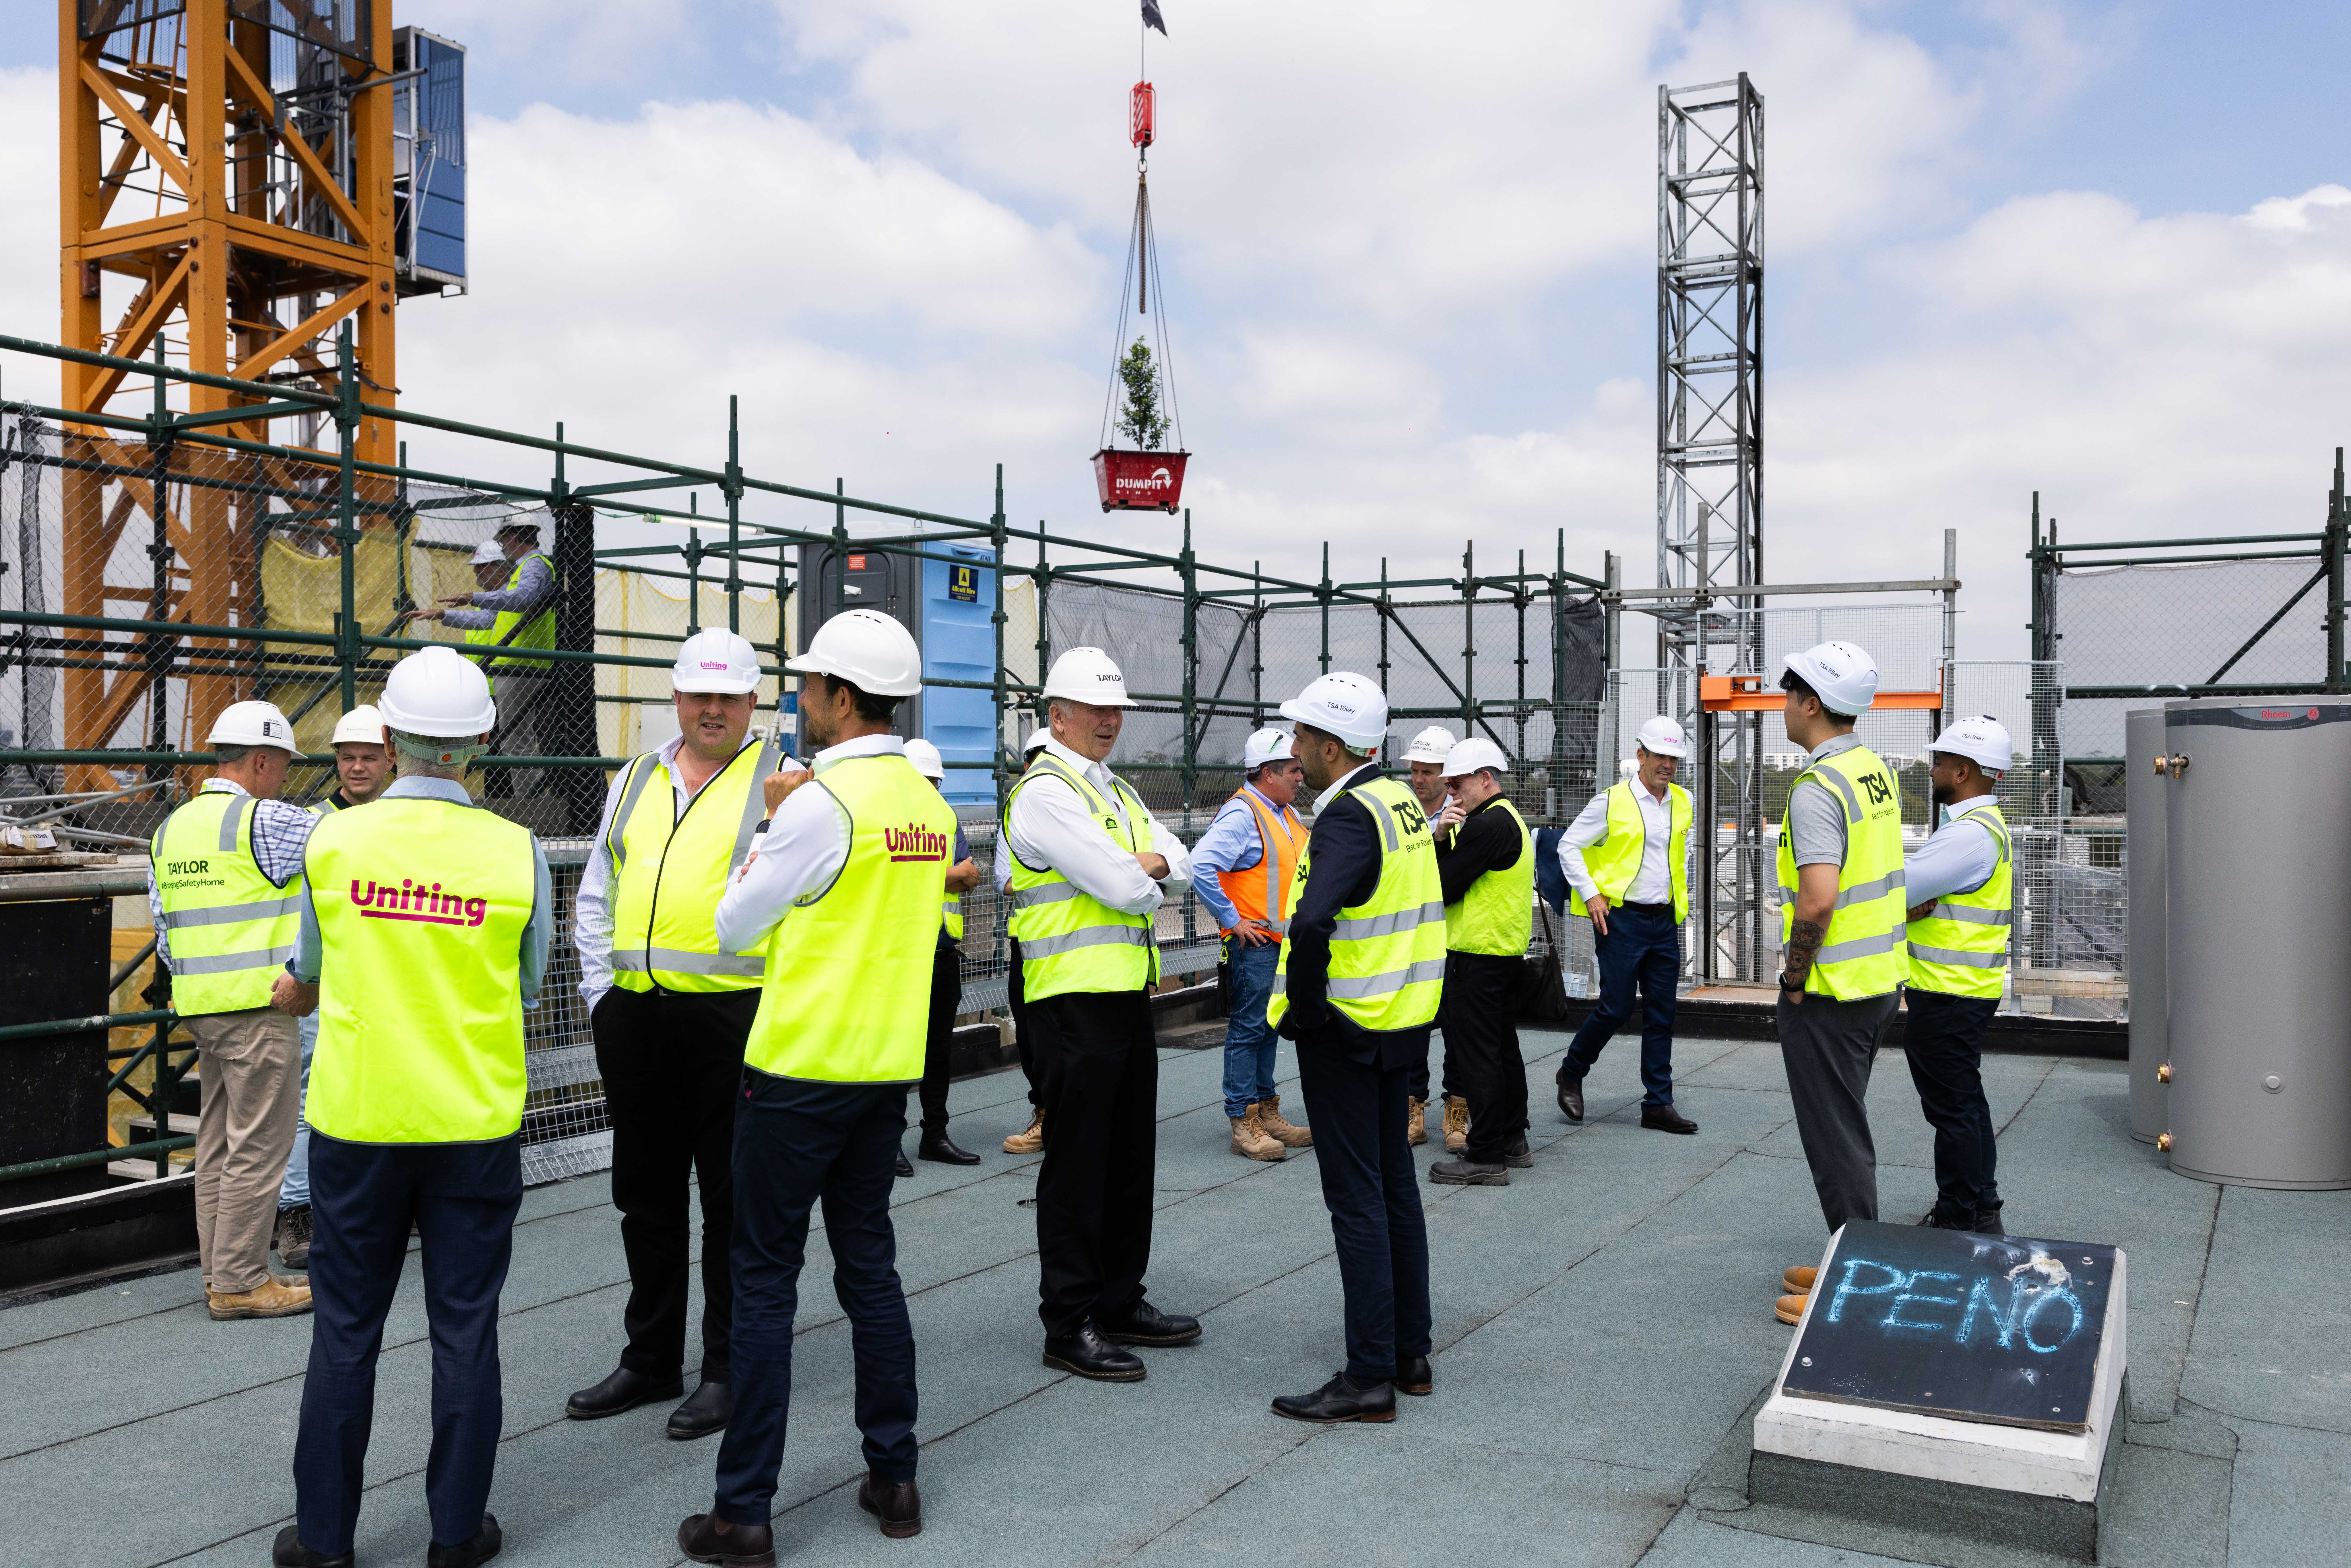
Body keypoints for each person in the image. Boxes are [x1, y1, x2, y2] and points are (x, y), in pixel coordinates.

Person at [676, 609, 947, 1562]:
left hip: (795, 1073)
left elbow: (735, 925)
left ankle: (743, 1509)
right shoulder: (928, 804)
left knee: (763, 1284)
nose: (800, 699)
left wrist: (769, 821)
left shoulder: (818, 805)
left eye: (808, 686)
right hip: (882, 1074)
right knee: (869, 1268)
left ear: (838, 696)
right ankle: (895, 1473)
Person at [271, 645, 550, 1568]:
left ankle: (323, 1542)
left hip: (358, 1120)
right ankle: (455, 1533)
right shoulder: (516, 852)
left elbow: (308, 973)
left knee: (345, 1333)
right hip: (472, 1121)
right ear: (480, 742)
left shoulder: (335, 842)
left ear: (386, 740)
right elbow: (532, 979)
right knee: (465, 1328)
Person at [567, 630, 781, 1442]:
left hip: (735, 1017)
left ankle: (726, 1368)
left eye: (728, 696)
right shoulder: (634, 777)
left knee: (732, 1203)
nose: (713, 709)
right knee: (645, 1196)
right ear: (677, 697)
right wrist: (601, 999)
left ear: (753, 701)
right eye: (699, 694)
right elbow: (598, 890)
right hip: (637, 1017)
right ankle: (652, 1358)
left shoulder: (784, 782)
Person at [1002, 647, 1199, 1382]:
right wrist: (1143, 867)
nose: (1110, 721)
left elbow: (1178, 859)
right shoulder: (1046, 791)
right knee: (1080, 1165)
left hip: (1119, 995)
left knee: (1126, 1158)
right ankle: (1070, 1320)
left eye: (1116, 710)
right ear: (1057, 715)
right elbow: (1128, 882)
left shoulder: (1110, 788)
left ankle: (1118, 1298)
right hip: (1068, 1000)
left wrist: (1143, 867)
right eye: (1094, 709)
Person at [1266, 672, 1445, 1423]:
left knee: (1356, 1198)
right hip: (1398, 1022)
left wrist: (1306, 1015)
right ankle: (1409, 1353)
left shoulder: (1344, 815)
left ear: (1332, 746)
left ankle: (1368, 1373)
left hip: (1347, 1028)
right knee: (1394, 1185)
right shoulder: (1400, 800)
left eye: (1303, 735)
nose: (1295, 748)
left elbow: (1311, 926)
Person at [148, 699, 315, 1322]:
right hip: (260, 1005)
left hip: (204, 1009)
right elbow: (348, 853)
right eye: (284, 766)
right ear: (262, 760)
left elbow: (166, 930)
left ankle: (222, 1275)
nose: (286, 779)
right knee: (258, 1148)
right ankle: (243, 1281)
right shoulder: (265, 819)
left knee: (217, 1146)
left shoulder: (172, 829)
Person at [1768, 641, 1907, 1329]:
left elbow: (1817, 899)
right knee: (1843, 1125)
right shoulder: (1872, 771)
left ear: (1812, 703)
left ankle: (1860, 1279)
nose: (1782, 704)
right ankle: (1850, 1251)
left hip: (1831, 990)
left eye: (1788, 692)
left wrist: (1793, 976)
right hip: (1876, 980)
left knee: (1835, 1136)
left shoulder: (1818, 788)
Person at [276, 705, 394, 1273]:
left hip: (382, 982)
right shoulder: (313, 823)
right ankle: (297, 1212)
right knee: (308, 1098)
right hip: (325, 982)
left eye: (368, 756)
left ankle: (375, 1202)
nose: (356, 767)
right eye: (348, 757)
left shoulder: (400, 820)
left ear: (390, 758)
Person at [1552, 715, 1699, 1136]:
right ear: (1641, 756)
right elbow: (1569, 846)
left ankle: (1658, 1103)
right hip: (1622, 920)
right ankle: (1571, 1071)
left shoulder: (1682, 802)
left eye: (1674, 758)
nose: (1668, 765)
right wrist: (1592, 894)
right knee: (1615, 1007)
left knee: (1662, 1013)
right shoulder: (1612, 801)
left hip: (1665, 921)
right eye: (1660, 756)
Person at [1899, 715, 2015, 1235]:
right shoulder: (1981, 829)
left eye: (1941, 761)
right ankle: (1982, 1205)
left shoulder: (1967, 836)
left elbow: (1894, 890)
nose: (1933, 769)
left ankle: (1956, 1216)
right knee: (1965, 1100)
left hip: (1947, 993)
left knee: (1951, 1110)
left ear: (1964, 771)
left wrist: (1905, 902)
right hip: (1963, 990)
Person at [1189, 726, 1311, 1162]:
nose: (1301, 777)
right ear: (1267, 774)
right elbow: (1200, 865)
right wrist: (1232, 920)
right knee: (1248, 1029)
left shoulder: (1284, 813)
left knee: (1268, 1026)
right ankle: (1245, 1120)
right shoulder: (1244, 814)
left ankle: (1267, 1111)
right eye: (1292, 771)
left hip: (1280, 944)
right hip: (1257, 945)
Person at [1428, 736, 1535, 1185]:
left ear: (1485, 779)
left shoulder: (1486, 825)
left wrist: (1438, 838)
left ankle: (1486, 1153)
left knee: (1479, 1058)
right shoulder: (1509, 819)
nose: (1451, 794)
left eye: (1457, 786)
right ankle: (1512, 1138)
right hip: (1503, 953)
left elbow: (1440, 886)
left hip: (1477, 956)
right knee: (1502, 1050)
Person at [407, 521, 555, 797]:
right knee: (515, 741)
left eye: (503, 541)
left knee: (517, 741)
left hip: (521, 665)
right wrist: (443, 615)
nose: (503, 546)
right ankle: (533, 799)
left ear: (514, 537)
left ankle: (534, 801)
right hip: (513, 665)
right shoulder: (525, 571)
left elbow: (523, 599)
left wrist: (473, 597)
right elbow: (491, 620)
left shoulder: (533, 565)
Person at [905, 737, 985, 1171]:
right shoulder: (890, 818)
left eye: (934, 782)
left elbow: (970, 875)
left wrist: (933, 875)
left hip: (941, 954)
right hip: (902, 956)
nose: (930, 790)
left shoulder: (946, 817)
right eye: (923, 781)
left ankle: (934, 1135)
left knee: (938, 1052)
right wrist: (945, 875)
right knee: (897, 1051)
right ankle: (886, 1143)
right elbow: (892, 874)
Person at [1399, 724, 1459, 1148]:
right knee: (1414, 1027)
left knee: (1459, 1029)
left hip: (1455, 936)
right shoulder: (1401, 812)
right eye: (1415, 771)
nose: (1419, 779)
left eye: (1428, 771)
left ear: (1448, 773)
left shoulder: (1466, 811)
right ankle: (1412, 1107)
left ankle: (1457, 1112)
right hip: (1413, 938)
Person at [998, 727, 1054, 1155]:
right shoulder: (1016, 811)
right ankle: (1044, 1112)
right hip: (1030, 944)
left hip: (1080, 948)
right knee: (1034, 1037)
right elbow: (1006, 880)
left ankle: (1069, 1117)